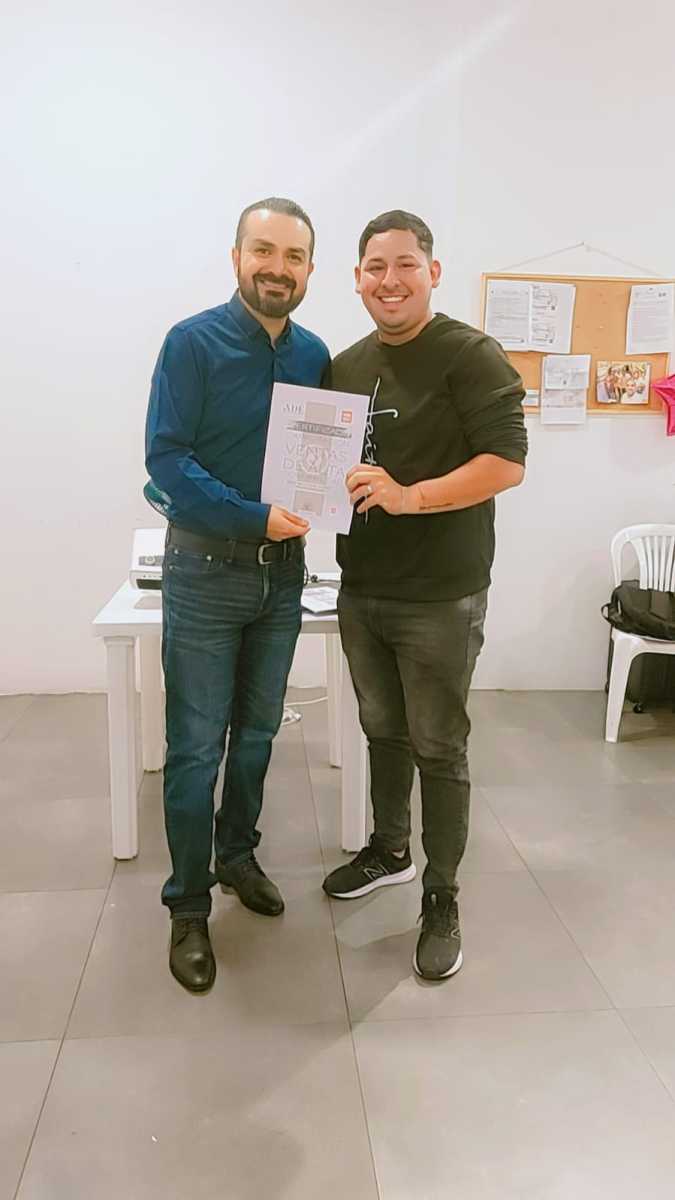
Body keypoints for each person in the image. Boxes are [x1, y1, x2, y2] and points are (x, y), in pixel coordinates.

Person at [322, 210, 527, 981]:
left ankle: (441, 896)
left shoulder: (469, 355)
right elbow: (323, 466)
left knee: (438, 746)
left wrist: (411, 497)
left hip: (442, 593)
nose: (390, 280)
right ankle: (389, 850)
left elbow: (506, 462)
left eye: (405, 264)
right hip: (361, 586)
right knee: (382, 729)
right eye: (375, 267)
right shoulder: (343, 366)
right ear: (357, 279)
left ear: (432, 272)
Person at [145, 198, 329, 993]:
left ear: (309, 269)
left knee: (256, 734)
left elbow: (324, 455)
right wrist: (256, 516)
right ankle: (188, 906)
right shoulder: (191, 342)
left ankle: (237, 856)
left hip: (281, 578)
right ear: (236, 258)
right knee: (194, 748)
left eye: (293, 256)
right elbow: (166, 461)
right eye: (263, 250)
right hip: (204, 574)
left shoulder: (314, 354)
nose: (276, 268)